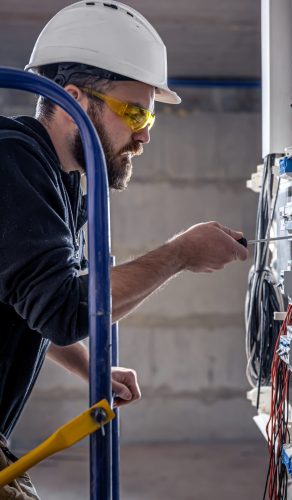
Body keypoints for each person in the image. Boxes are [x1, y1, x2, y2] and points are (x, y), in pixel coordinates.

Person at [0, 1, 248, 497]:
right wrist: (179, 253)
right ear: (74, 100)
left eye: (149, 120)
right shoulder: (12, 161)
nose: (141, 135)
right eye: (133, 112)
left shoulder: (62, 179)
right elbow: (68, 309)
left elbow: (35, 303)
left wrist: (91, 367)